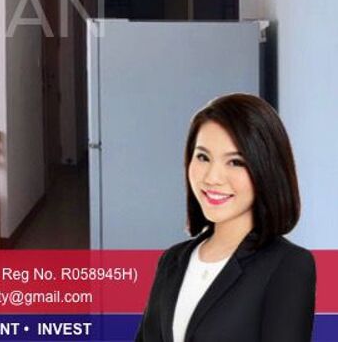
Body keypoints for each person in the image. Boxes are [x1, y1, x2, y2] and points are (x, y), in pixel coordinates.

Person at [135, 93, 315, 342]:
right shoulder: (171, 261)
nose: (212, 177)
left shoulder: (288, 265)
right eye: (203, 157)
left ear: (266, 168)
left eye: (235, 162)